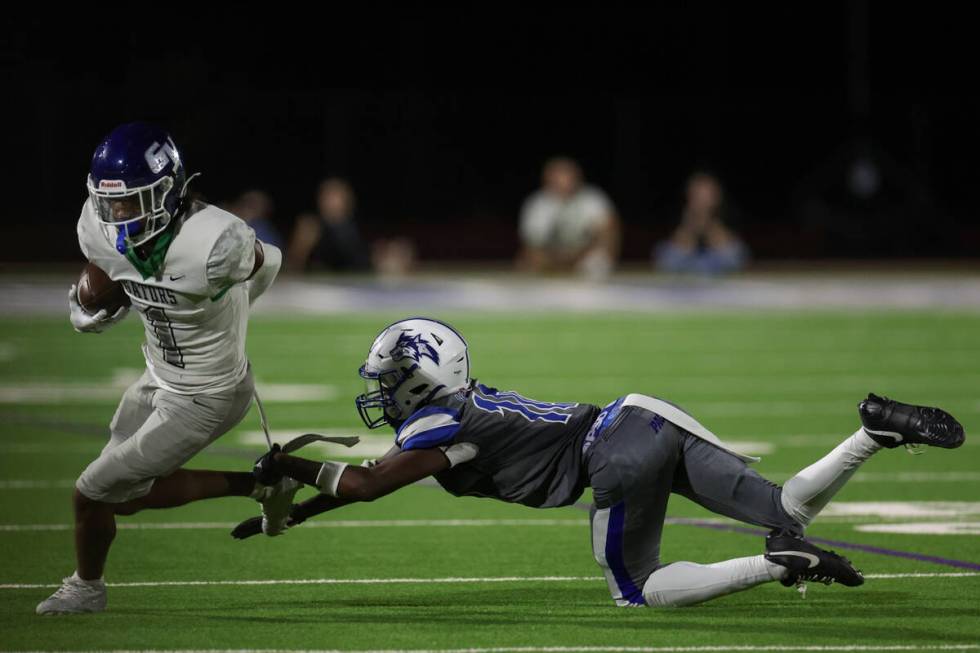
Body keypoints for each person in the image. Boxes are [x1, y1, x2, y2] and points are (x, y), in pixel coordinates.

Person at [232, 317, 965, 608]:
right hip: (641, 413)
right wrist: (299, 506)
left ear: (421, 382)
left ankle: (778, 565)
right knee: (788, 509)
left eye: (387, 381)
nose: (382, 393)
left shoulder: (440, 422)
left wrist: (288, 471)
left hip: (610, 456)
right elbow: (373, 483)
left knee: (637, 589)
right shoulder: (461, 406)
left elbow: (366, 483)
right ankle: (872, 431)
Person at [36, 122, 300, 615]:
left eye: (133, 202)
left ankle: (86, 588)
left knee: (92, 491)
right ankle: (263, 483)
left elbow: (267, 265)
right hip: (156, 374)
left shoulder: (217, 242)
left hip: (209, 394)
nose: (119, 215)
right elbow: (112, 272)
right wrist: (94, 305)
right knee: (124, 497)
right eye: (111, 203)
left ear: (170, 191)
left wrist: (236, 320)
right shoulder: (97, 226)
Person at [517, 157, 621, 280]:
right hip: (551, 258)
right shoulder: (537, 203)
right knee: (528, 263)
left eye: (568, 177)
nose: (564, 183)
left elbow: (608, 233)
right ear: (547, 180)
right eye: (558, 178)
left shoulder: (593, 198)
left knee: (599, 261)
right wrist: (554, 260)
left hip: (585, 255)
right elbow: (532, 244)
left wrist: (579, 256)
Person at [654, 171, 749, 275]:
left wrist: (711, 226)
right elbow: (665, 265)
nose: (701, 203)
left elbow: (737, 263)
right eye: (696, 196)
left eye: (707, 197)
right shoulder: (673, 238)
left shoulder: (732, 241)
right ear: (688, 198)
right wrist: (689, 228)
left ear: (718, 199)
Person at [287, 177, 372, 272]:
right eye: (326, 196)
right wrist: (300, 246)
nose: (330, 202)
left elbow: (364, 264)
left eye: (335, 196)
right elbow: (293, 265)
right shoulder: (311, 227)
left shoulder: (356, 232)